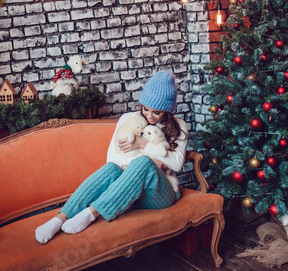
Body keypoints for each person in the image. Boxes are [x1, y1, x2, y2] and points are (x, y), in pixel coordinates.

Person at [35, 70, 188, 244]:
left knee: (144, 162)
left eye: (157, 113)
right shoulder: (129, 119)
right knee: (111, 169)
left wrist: (142, 144)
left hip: (162, 193)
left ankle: (90, 214)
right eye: (146, 109)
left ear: (167, 111)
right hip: (131, 192)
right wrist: (151, 163)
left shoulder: (180, 126)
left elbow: (176, 164)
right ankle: (59, 219)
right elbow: (112, 159)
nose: (149, 116)